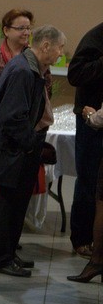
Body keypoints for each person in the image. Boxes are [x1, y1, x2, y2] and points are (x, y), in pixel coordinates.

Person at [0, 26, 65, 277]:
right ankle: (1, 258)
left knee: (16, 206)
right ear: (45, 46)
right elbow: (12, 116)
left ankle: (9, 253)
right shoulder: (23, 70)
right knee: (9, 207)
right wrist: (32, 144)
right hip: (12, 151)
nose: (60, 54)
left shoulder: (29, 68)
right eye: (59, 48)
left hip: (17, 150)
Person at [0, 9, 52, 245]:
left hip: (23, 131)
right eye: (21, 27)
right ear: (6, 30)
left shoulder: (35, 59)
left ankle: (6, 242)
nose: (26, 32)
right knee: (0, 192)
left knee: (15, 199)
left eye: (29, 28)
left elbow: (44, 92)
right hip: (6, 132)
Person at [67, 19, 103, 259]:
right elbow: (75, 74)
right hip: (93, 123)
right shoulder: (96, 37)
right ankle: (82, 238)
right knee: (89, 180)